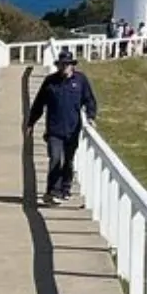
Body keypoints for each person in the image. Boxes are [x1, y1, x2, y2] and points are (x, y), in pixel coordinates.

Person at [27, 48, 98, 205]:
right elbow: (39, 103)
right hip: (54, 130)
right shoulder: (50, 81)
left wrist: (91, 116)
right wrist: (31, 122)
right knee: (55, 158)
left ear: (72, 65)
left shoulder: (80, 80)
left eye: (67, 64)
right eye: (61, 64)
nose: (64, 67)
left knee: (68, 161)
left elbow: (89, 100)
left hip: (73, 129)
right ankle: (52, 191)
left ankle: (65, 188)